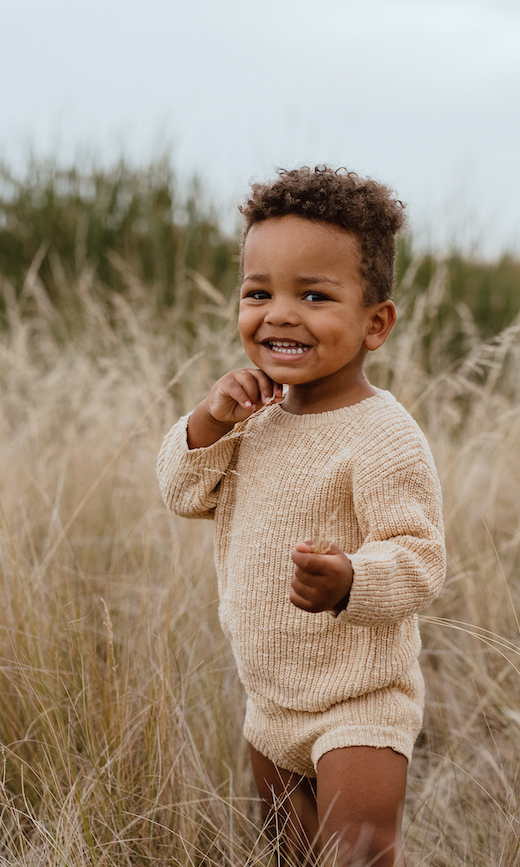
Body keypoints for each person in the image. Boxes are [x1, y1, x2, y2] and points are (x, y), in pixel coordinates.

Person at [156, 166, 446, 866]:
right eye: (259, 293)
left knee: (359, 849)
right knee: (289, 851)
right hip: (271, 697)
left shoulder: (382, 433)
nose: (279, 313)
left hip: (359, 701)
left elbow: (418, 557)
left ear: (375, 322)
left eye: (314, 295)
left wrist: (350, 578)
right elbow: (182, 492)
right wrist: (208, 422)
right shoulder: (250, 420)